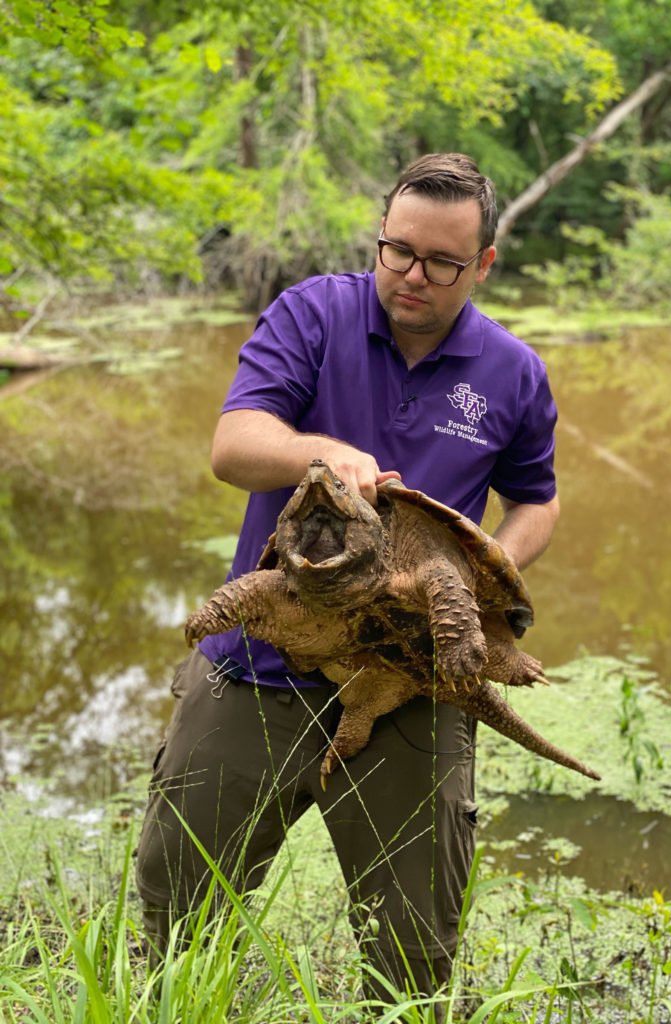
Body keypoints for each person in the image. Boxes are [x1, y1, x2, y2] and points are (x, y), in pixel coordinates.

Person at [135, 152, 560, 1018]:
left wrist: (488, 584)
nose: (412, 276)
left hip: (411, 677)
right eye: (396, 251)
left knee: (412, 958)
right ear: (380, 237)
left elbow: (537, 502)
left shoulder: (512, 371)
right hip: (262, 657)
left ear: (482, 265)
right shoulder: (314, 313)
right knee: (176, 918)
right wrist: (320, 453)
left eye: (442, 262)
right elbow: (234, 444)